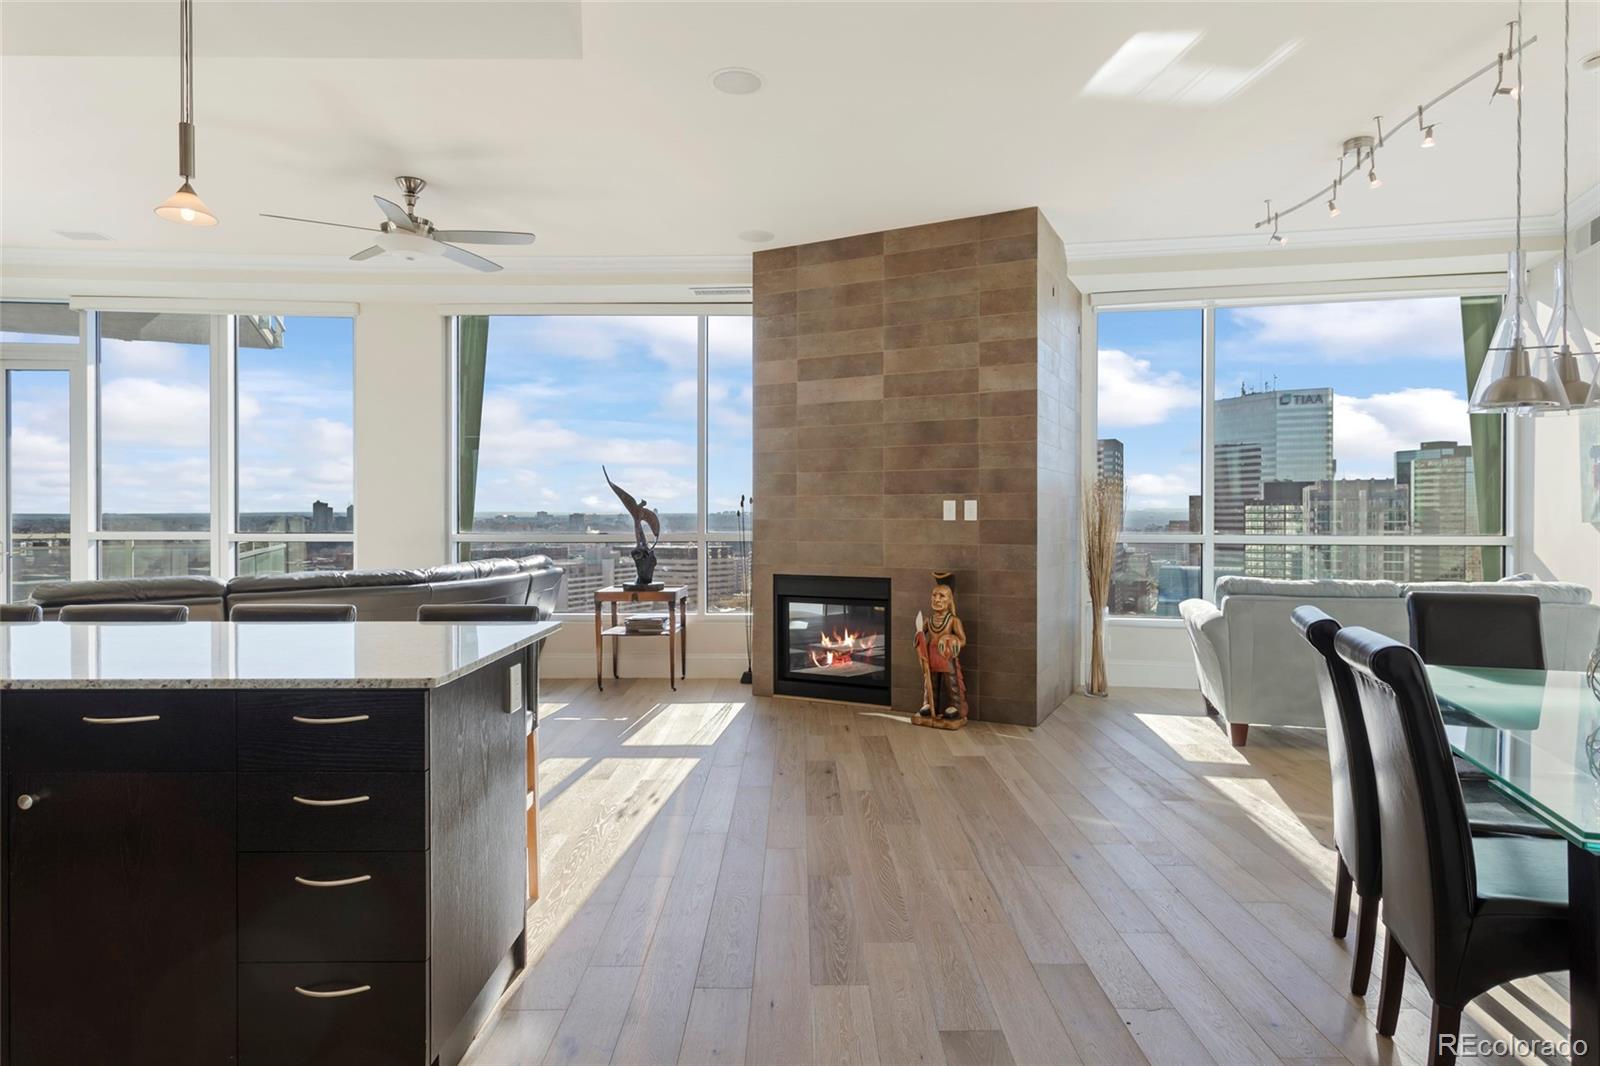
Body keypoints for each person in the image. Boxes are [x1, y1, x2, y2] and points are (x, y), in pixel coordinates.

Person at [915, 572, 968, 722]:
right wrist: (919, 637)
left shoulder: (953, 620)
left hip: (946, 656)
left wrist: (950, 638)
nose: (937, 599)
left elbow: (962, 639)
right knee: (930, 682)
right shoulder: (929, 620)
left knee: (951, 682)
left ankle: (955, 706)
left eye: (941, 596)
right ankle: (930, 704)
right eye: (934, 595)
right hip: (931, 655)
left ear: (950, 600)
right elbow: (920, 635)